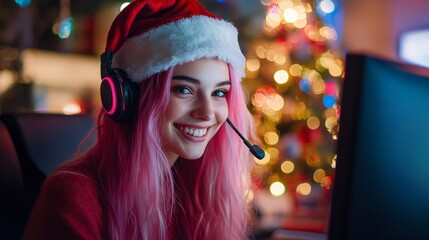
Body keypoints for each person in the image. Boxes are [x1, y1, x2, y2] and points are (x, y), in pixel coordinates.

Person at [23, 0, 258, 239]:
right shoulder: (74, 197)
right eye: (183, 90)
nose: (207, 112)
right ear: (129, 97)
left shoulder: (195, 189)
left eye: (219, 93)